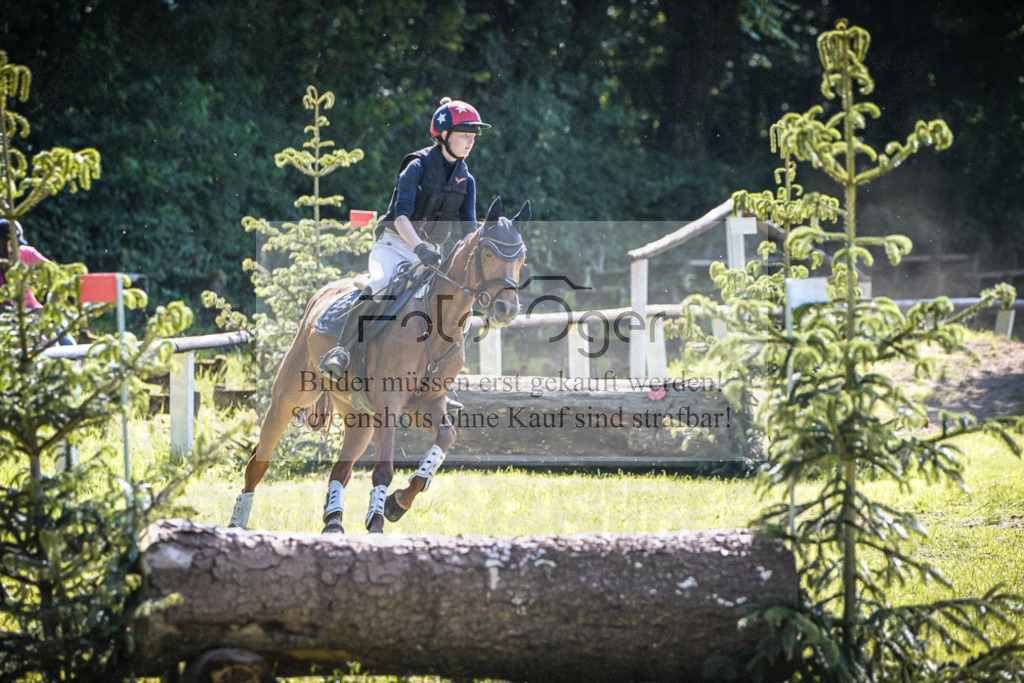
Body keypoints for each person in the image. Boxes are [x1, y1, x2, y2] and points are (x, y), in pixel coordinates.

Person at [318, 97, 490, 379]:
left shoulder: (466, 180)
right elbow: (401, 217)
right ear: (443, 135)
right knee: (381, 284)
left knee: (460, 306)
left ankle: (443, 376)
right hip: (396, 245)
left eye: (473, 137)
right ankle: (341, 350)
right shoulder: (417, 166)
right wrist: (420, 248)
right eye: (464, 135)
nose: (470, 142)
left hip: (431, 255)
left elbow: (468, 230)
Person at [1, 218, 75, 344]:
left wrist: (53, 307)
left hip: (35, 312)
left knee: (67, 343)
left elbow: (57, 275)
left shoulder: (26, 253)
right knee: (43, 343)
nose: (17, 247)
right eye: (12, 242)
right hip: (8, 317)